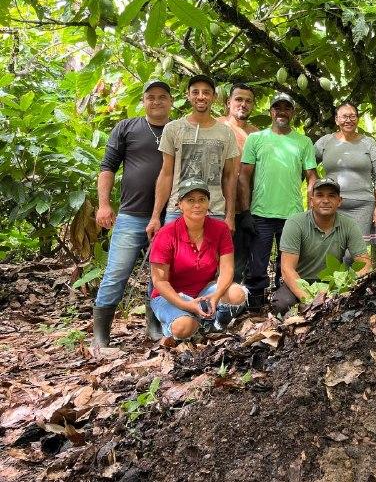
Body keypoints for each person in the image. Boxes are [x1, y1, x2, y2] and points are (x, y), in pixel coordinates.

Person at [93, 80, 173, 347]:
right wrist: (104, 204)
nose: (157, 101)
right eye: (151, 97)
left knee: (160, 275)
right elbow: (107, 167)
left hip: (169, 216)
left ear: (171, 101)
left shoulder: (179, 129)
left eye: (163, 97)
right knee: (116, 273)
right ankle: (100, 337)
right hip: (131, 214)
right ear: (143, 100)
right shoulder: (127, 127)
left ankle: (154, 326)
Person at [239, 93, 317, 308]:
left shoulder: (303, 142)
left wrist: (310, 210)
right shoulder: (256, 139)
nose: (281, 111)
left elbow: (312, 177)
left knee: (288, 265)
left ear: (293, 112)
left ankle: (282, 304)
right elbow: (244, 175)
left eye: (286, 108)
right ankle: (254, 307)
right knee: (257, 265)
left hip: (292, 215)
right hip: (261, 212)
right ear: (270, 111)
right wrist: (245, 211)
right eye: (277, 107)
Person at [149, 178, 247, 344]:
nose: (197, 205)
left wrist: (215, 297)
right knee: (183, 327)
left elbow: (227, 269)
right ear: (180, 204)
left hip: (204, 291)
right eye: (190, 200)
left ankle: (213, 324)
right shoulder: (166, 234)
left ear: (208, 203)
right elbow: (159, 281)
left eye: (202, 199)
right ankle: (189, 324)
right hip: (171, 296)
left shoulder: (220, 229)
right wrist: (187, 305)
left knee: (237, 293)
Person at [147, 74, 240, 240]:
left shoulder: (225, 133)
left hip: (214, 211)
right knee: (174, 263)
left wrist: (230, 216)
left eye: (206, 92)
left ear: (214, 97)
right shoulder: (173, 128)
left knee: (211, 264)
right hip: (177, 210)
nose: (201, 96)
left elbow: (229, 177)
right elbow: (166, 173)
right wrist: (155, 216)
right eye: (195, 92)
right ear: (188, 96)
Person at [272, 178, 371, 314]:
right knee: (283, 304)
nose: (325, 200)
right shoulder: (295, 223)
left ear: (339, 201)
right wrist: (309, 299)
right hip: (300, 281)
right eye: (319, 195)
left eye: (331, 196)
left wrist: (345, 287)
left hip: (333, 283)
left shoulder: (349, 225)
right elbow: (287, 269)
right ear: (311, 200)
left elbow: (365, 263)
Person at [315, 102, 376, 254]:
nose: (348, 120)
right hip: (331, 204)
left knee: (354, 254)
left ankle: (357, 279)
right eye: (344, 116)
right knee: (331, 251)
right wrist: (316, 186)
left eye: (352, 116)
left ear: (357, 119)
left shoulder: (369, 144)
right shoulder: (325, 142)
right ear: (336, 120)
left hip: (362, 206)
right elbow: (307, 165)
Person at [217, 83, 258, 283]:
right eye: (238, 99)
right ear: (228, 102)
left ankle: (231, 308)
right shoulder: (216, 126)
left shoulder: (256, 134)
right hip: (216, 207)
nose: (243, 104)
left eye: (248, 101)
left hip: (246, 209)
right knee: (212, 261)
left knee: (238, 265)